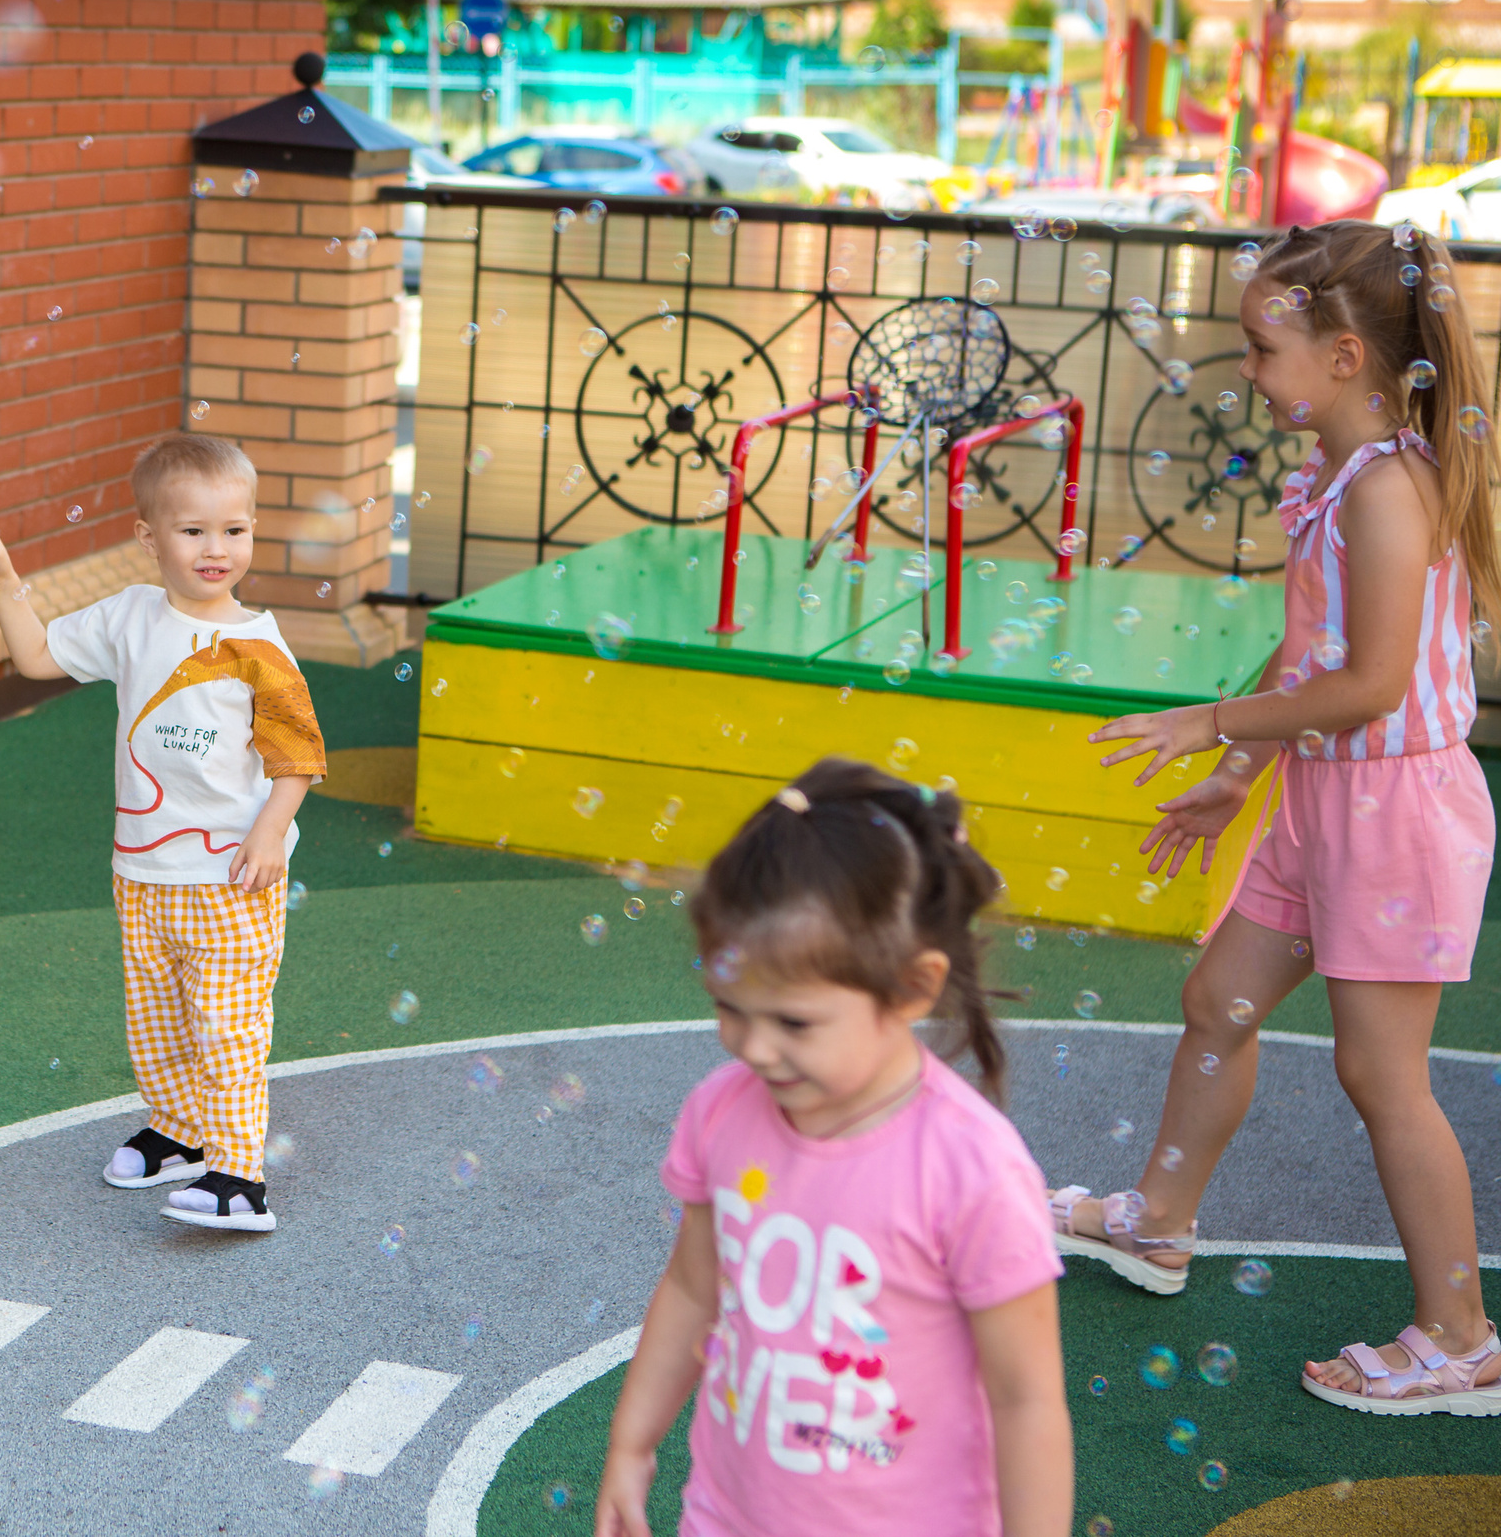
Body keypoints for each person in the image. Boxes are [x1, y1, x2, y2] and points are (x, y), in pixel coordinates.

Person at [1057, 219, 1500, 1415]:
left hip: (1394, 814)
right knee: (1219, 999)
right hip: (1321, 792)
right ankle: (1157, 1219)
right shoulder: (1341, 478)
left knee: (1380, 1070)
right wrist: (1238, 772)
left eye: (1261, 349)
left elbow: (1369, 682)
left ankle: (1459, 1334)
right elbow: (1311, 649)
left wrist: (1214, 723)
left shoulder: (1392, 490)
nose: (1247, 374)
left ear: (1346, 355)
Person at [594, 761, 1071, 1537]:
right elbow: (691, 1287)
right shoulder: (721, 1112)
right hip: (725, 1515)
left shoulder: (972, 1170)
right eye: (729, 1008)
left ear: (914, 988)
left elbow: (1027, 1401)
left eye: (795, 1023)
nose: (752, 1047)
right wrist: (631, 1442)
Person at [0, 435, 325, 1232]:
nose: (216, 548)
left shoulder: (259, 646)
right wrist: (4, 582)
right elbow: (36, 657)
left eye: (235, 530)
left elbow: (297, 756)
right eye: (193, 531)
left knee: (227, 1027)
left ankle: (238, 1177)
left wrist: (269, 834)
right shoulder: (131, 616)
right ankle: (180, 1131)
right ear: (148, 536)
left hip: (231, 878)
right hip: (144, 872)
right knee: (155, 1017)